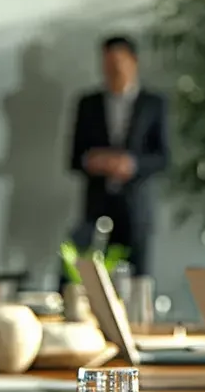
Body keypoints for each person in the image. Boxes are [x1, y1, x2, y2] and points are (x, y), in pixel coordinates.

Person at [68, 35, 169, 275]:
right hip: (96, 207)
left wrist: (131, 164)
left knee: (136, 277)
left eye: (117, 62)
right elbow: (73, 157)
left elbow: (163, 157)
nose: (111, 70)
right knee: (80, 270)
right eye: (106, 63)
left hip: (135, 208)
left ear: (133, 62)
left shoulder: (153, 104)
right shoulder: (88, 104)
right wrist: (95, 161)